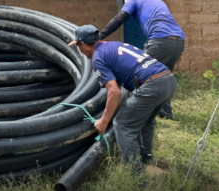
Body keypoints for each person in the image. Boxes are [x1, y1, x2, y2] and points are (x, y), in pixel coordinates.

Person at [69, 25, 177, 170]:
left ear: (83, 44)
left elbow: (114, 92)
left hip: (152, 86)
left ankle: (136, 175)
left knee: (122, 125)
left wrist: (103, 121)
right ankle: (145, 157)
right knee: (146, 120)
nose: (79, 50)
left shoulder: (98, 58)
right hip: (168, 80)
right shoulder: (112, 45)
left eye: (77, 46)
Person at [98, 0, 184, 120]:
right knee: (162, 78)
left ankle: (133, 114)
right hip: (178, 41)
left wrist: (100, 36)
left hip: (160, 40)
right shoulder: (158, 1)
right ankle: (166, 115)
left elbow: (120, 17)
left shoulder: (133, 0)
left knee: (138, 75)